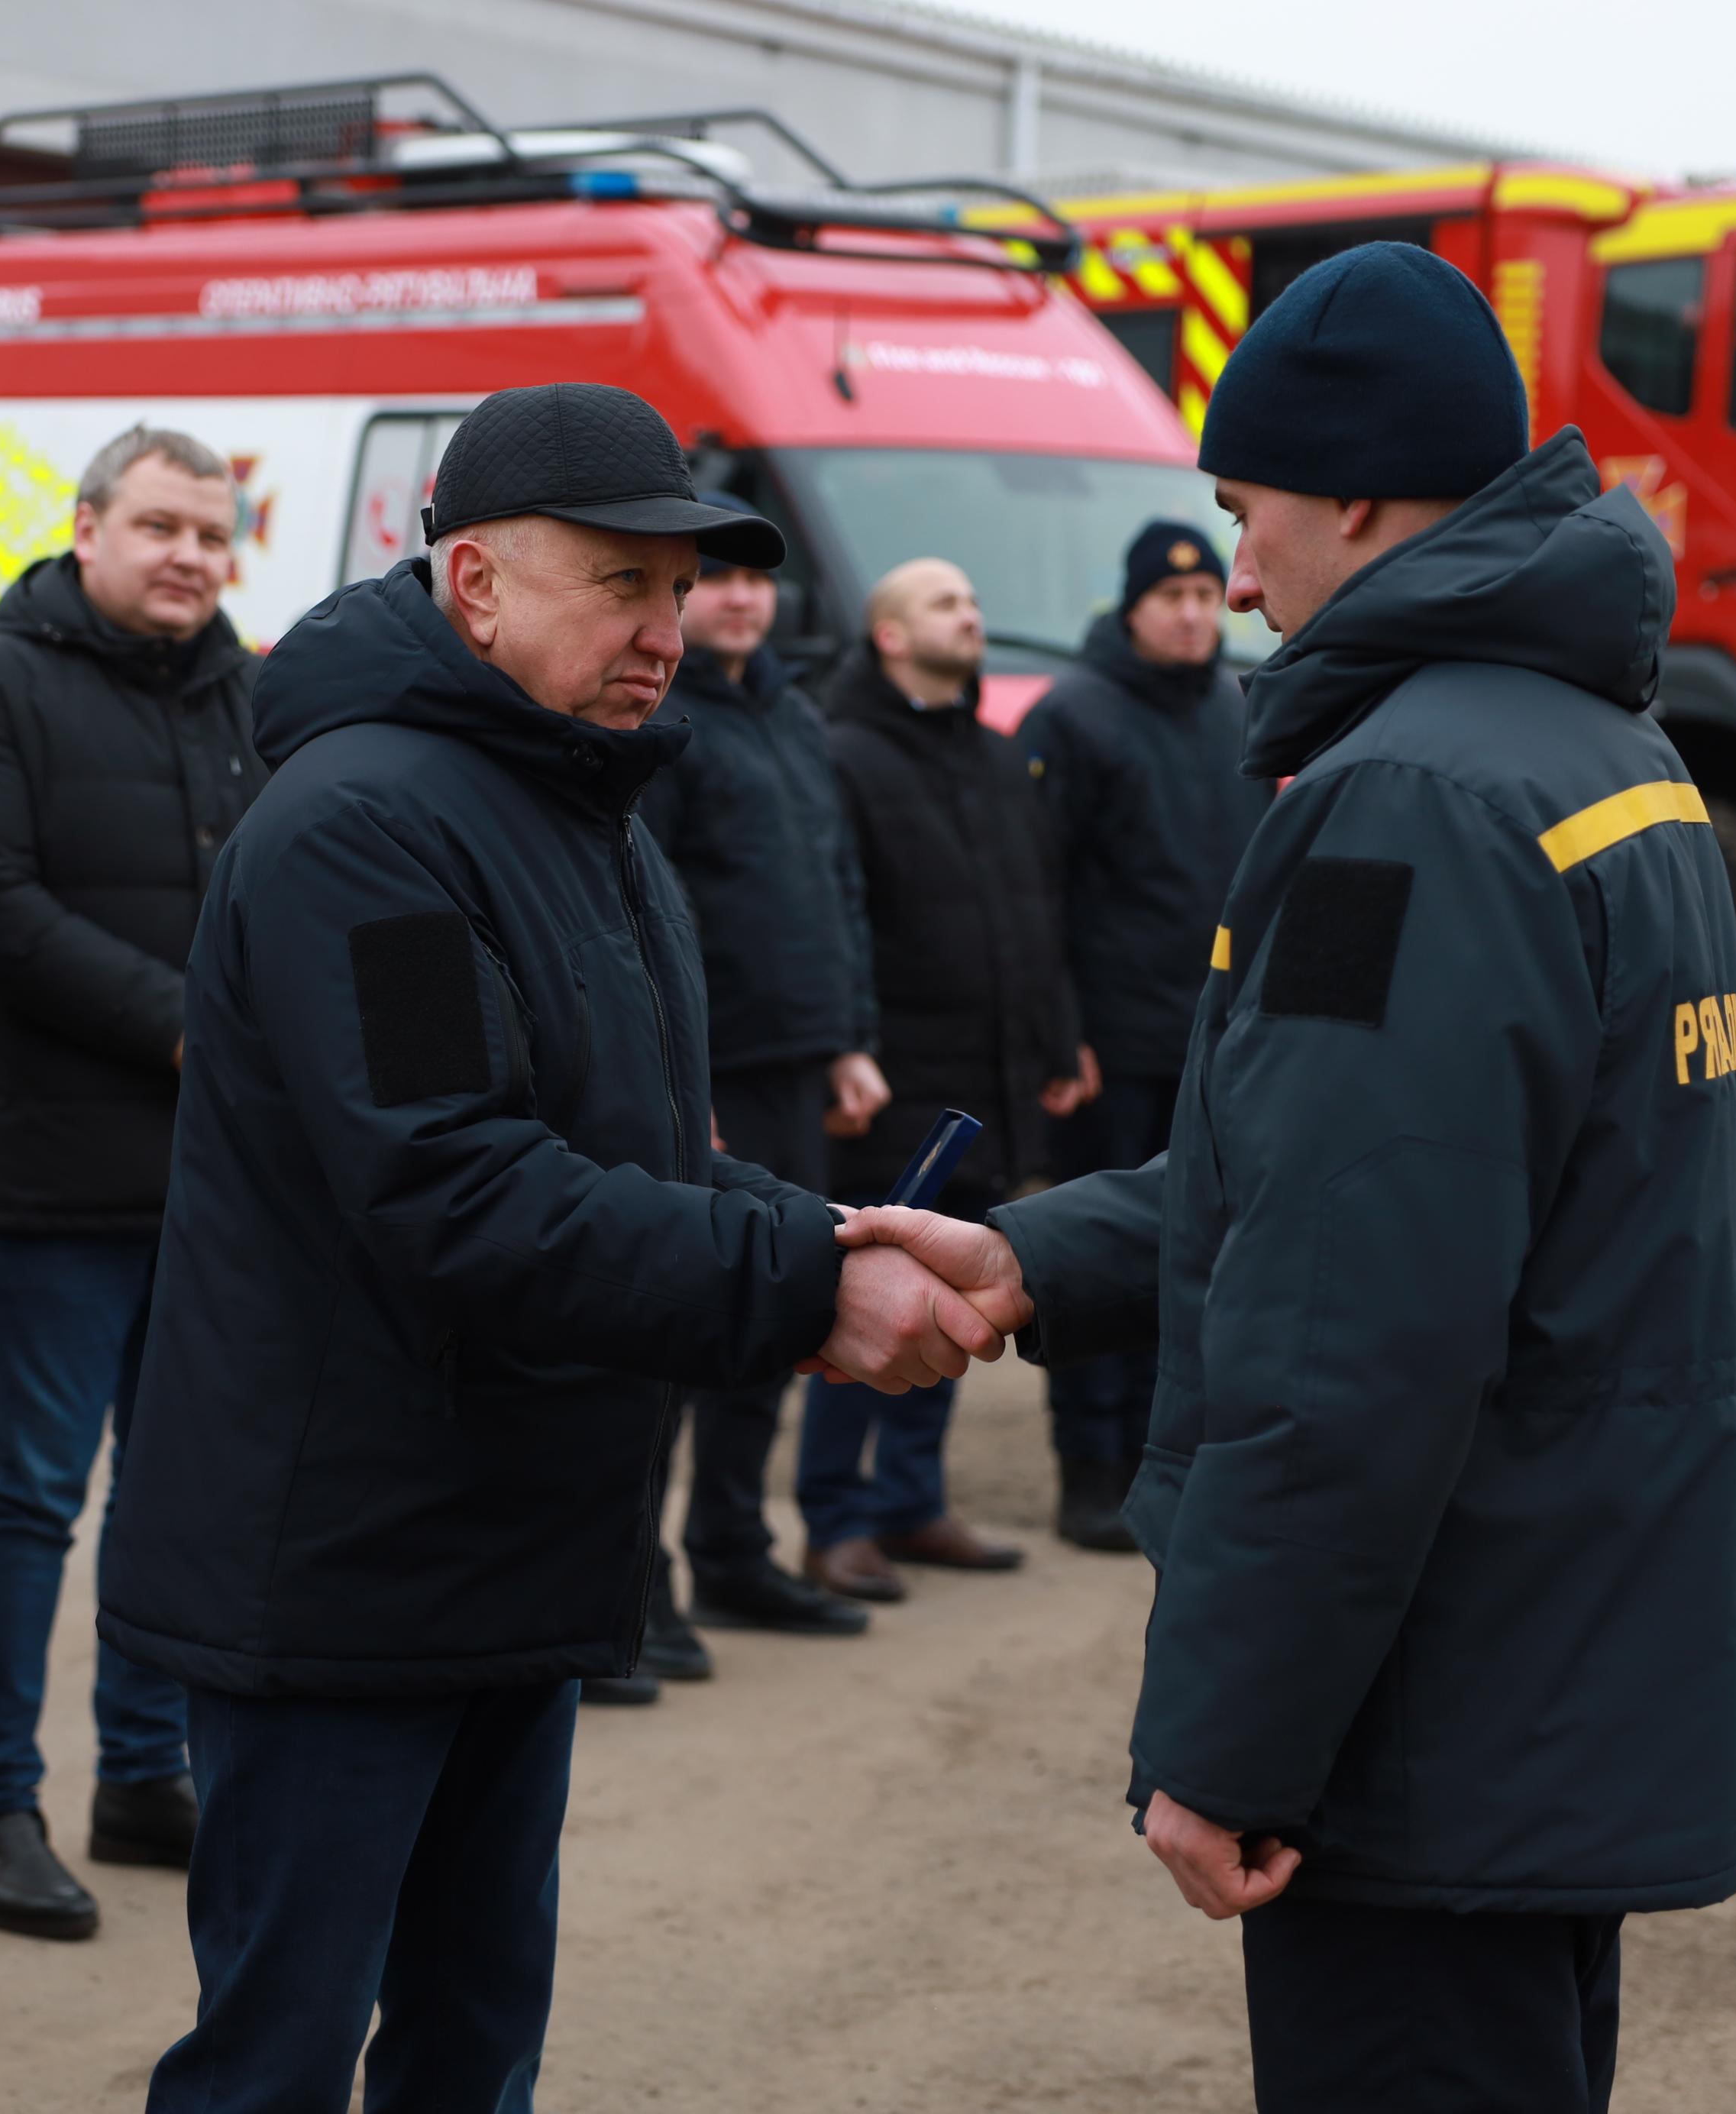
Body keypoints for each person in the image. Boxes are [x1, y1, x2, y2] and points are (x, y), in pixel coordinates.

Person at [836, 243, 1736, 2112]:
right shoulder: (1602, 756)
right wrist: (1028, 1253)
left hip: (1436, 1712)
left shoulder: (1406, 805)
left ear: (1354, 496)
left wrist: (1232, 1746)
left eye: (1243, 515)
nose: (1238, 574)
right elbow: (1376, 1184)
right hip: (1553, 1674)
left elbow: (1351, 1331)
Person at [96, 382, 1008, 2113]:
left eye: (679, 591)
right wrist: (811, 1289)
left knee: (472, 2036)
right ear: (476, 588)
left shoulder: (586, 813)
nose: (662, 629)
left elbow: (643, 1157)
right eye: (619, 582)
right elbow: (462, 1194)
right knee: (278, 2059)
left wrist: (831, 1228)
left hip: (509, 1540)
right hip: (346, 1562)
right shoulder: (366, 825)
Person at [0, 426, 260, 1940]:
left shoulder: (254, 697)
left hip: (218, 1176)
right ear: (88, 526)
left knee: (176, 1495)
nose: (188, 554)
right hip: (51, 1169)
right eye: (161, 525)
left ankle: (141, 1774)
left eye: (212, 532)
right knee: (32, 1497)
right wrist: (190, 1020)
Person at [627, 512, 882, 1688]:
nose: (738, 601)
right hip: (710, 1076)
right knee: (673, 1337)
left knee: (779, 1310)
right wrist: (691, 1085)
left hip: (798, 1059)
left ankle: (731, 1548)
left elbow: (834, 887)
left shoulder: (791, 713)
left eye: (753, 583)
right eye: (714, 581)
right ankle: (636, 1590)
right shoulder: (664, 723)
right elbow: (644, 912)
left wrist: (849, 1041)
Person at [802, 557, 1085, 1605]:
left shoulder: (1000, 757)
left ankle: (912, 1506)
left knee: (953, 1303)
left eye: (973, 601)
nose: (971, 617)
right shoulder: (843, 756)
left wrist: (1059, 1042)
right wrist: (847, 1044)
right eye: (945, 604)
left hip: (989, 1075)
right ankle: (833, 1523)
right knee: (865, 1297)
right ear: (887, 635)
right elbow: (837, 920)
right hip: (891, 1081)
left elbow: (1037, 912)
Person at [1017, 520, 1268, 1552]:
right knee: (1095, 1261)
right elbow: (1035, 896)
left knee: (1193, 1265)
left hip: (1207, 1040)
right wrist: (1057, 1033)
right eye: (1173, 600)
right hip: (1109, 1042)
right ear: (1131, 609)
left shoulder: (1235, 708)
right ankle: (1088, 1470)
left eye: (1208, 598)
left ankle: (1156, 1463)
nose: (1195, 615)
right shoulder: (1072, 717)